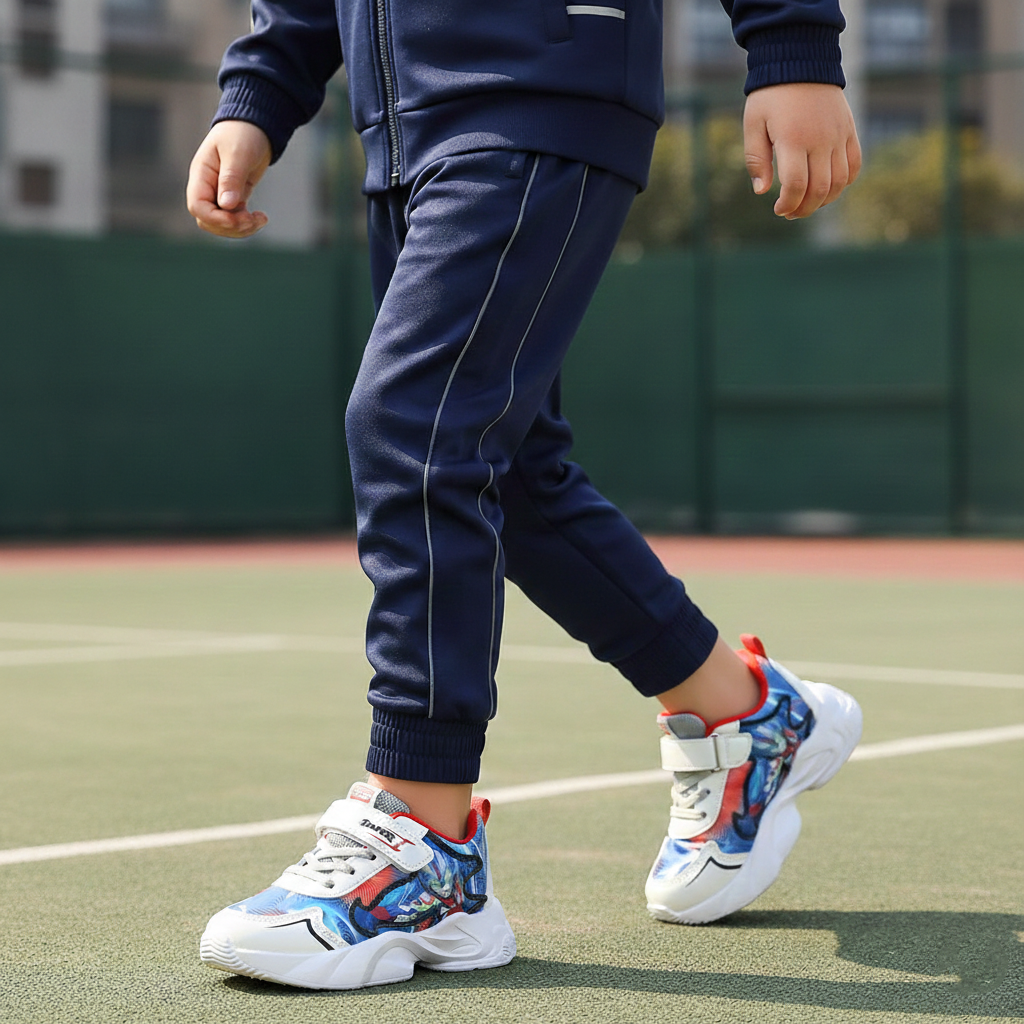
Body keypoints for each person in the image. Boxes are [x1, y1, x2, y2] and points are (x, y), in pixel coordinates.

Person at [187, 0, 864, 991]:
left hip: (541, 81)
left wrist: (790, 42)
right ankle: (742, 713)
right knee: (509, 469)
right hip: (403, 131)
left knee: (416, 425)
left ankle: (426, 841)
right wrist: (260, 89)